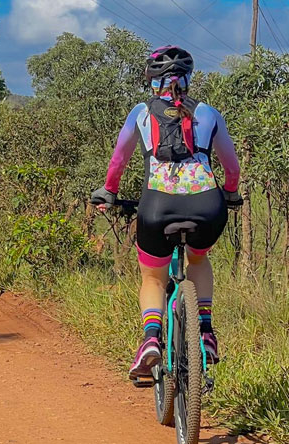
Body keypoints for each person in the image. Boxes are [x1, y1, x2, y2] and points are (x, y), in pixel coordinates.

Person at [90, 46, 242, 380]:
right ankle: (205, 332)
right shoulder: (209, 113)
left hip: (157, 208)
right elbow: (231, 167)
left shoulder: (140, 114)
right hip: (208, 206)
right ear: (189, 79)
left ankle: (150, 340)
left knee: (153, 275)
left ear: (153, 82)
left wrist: (109, 191)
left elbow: (118, 161)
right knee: (199, 260)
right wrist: (230, 193)